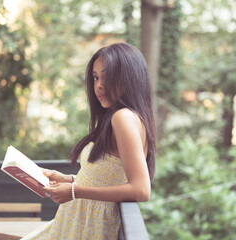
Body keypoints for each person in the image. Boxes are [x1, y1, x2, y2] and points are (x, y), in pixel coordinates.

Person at [21, 42, 156, 240]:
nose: (98, 85)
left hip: (87, 229)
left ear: (130, 77)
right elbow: (110, 176)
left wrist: (75, 191)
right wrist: (69, 180)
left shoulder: (123, 117)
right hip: (75, 224)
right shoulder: (125, 118)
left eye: (107, 75)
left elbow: (141, 189)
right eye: (95, 77)